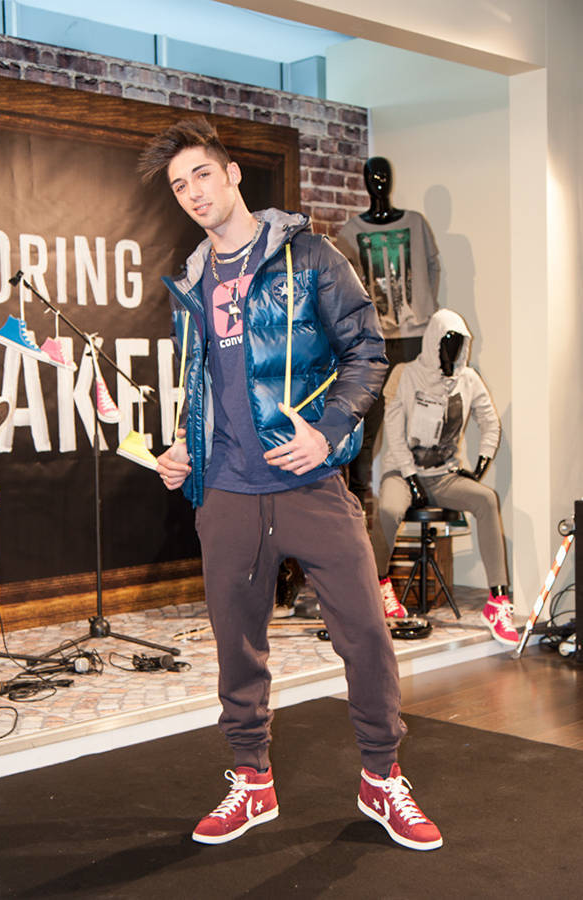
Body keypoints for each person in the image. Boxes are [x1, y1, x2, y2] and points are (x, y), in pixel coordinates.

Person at [138, 117, 442, 851]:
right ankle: (252, 780)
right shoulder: (191, 282)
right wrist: (186, 447)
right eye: (179, 186)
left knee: (365, 634)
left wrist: (330, 430)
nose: (193, 193)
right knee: (236, 644)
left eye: (202, 175)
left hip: (310, 482)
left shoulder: (309, 256)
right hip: (226, 491)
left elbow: (367, 350)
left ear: (233, 174)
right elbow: (205, 385)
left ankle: (381, 778)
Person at [370, 308, 517, 646]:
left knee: (486, 499)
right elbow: (394, 432)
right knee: (389, 510)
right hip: (402, 472)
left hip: (442, 476)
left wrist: (479, 467)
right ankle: (379, 584)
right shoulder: (405, 375)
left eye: (458, 344)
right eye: (446, 343)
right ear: (432, 342)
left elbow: (490, 423)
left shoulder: (469, 379)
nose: (452, 351)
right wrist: (410, 478)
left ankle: (497, 601)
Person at [336, 159, 439, 616]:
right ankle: (360, 549)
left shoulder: (415, 223)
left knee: (418, 426)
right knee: (366, 434)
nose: (378, 182)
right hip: (374, 339)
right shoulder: (349, 231)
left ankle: (417, 493)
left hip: (414, 337)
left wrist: (422, 314)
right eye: (371, 176)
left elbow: (431, 270)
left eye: (383, 175)